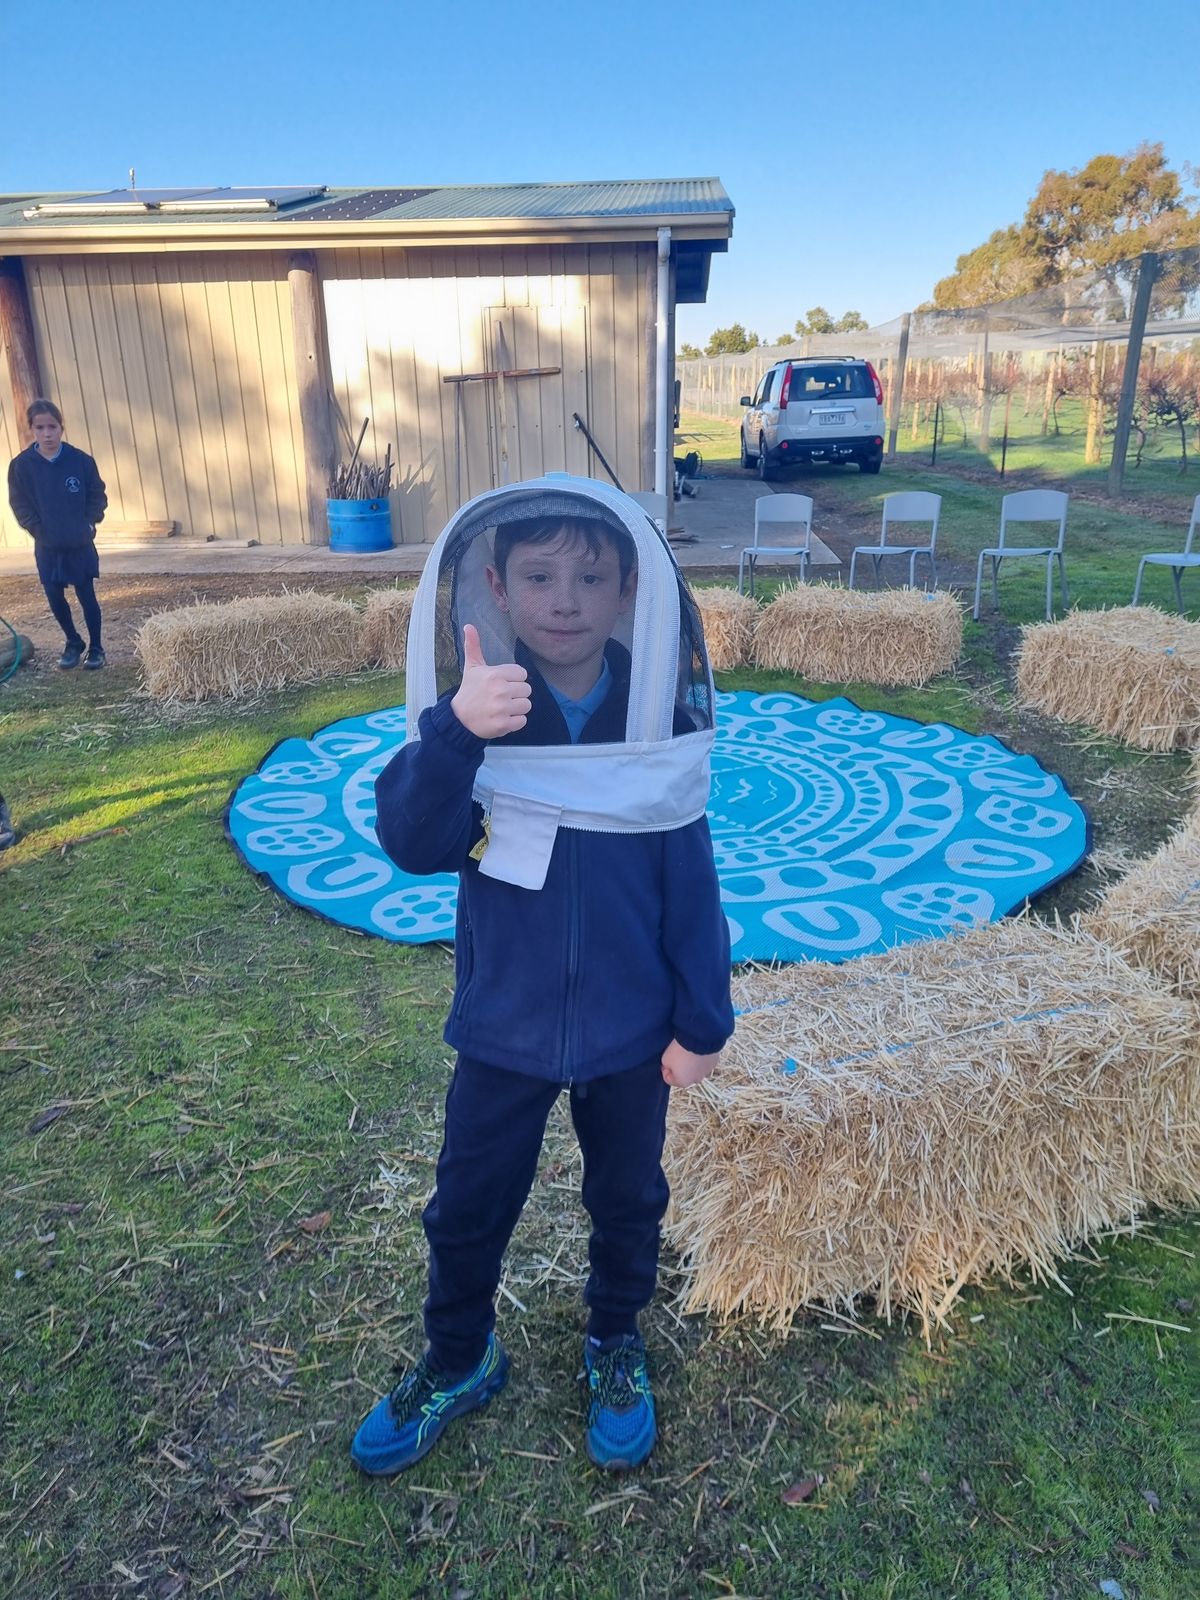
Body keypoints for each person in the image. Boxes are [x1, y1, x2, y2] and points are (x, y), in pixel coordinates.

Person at [352, 501, 733, 1477]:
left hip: (630, 1027)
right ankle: (458, 1356)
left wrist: (701, 1021)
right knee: (467, 1204)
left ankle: (614, 1338)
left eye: (591, 578)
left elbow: (690, 879)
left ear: (629, 591)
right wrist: (454, 733)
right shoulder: (480, 712)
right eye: (538, 577)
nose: (565, 602)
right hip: (503, 1024)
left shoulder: (658, 714)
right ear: (495, 585)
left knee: (628, 1196)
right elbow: (412, 842)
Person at [7, 400, 107, 670]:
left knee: (86, 594)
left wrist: (89, 523)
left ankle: (96, 648)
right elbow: (19, 503)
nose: (47, 434)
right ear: (32, 429)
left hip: (79, 542)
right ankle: (73, 641)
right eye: (40, 428)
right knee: (53, 594)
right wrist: (37, 529)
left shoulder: (81, 461)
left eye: (52, 427)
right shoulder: (21, 466)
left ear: (61, 427)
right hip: (48, 545)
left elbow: (97, 495)